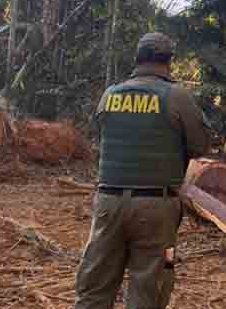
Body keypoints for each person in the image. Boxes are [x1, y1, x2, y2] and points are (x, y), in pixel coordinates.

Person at [74, 32, 210, 309]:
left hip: (107, 203)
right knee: (151, 287)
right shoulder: (176, 96)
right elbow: (200, 146)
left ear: (137, 59)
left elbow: (103, 137)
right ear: (168, 62)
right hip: (156, 206)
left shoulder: (109, 95)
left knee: (94, 286)